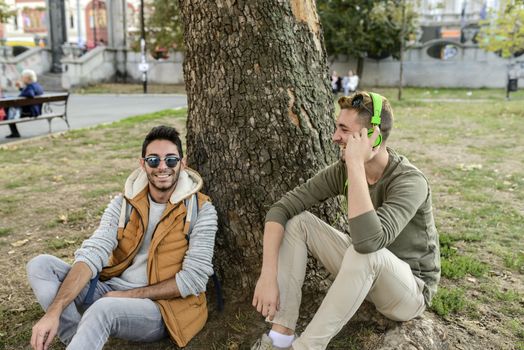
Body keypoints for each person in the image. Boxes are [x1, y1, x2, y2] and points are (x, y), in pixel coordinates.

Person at [251, 91, 440, 350]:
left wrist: (354, 163)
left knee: (365, 252)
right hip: (364, 275)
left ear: (372, 137)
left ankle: (306, 348)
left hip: (408, 292)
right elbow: (281, 209)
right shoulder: (343, 171)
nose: (334, 137)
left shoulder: (410, 181)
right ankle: (280, 339)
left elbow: (369, 242)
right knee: (298, 222)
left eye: (343, 129)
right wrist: (268, 274)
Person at [27, 125, 218, 350]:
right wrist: (54, 311)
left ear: (182, 163)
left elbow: (194, 279)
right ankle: (76, 338)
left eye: (171, 160)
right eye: (154, 160)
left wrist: (127, 295)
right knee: (40, 265)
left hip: (161, 307)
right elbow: (93, 252)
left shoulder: (202, 210)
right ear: (143, 164)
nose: (163, 167)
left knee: (103, 309)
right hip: (111, 288)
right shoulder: (123, 204)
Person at [5, 69, 44, 138]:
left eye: (22, 77)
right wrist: (21, 88)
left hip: (28, 111)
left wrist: (20, 96)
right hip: (36, 110)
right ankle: (14, 132)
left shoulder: (30, 87)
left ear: (27, 78)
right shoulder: (37, 86)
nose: (22, 79)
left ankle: (15, 133)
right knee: (8, 107)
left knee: (7, 108)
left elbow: (30, 94)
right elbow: (30, 92)